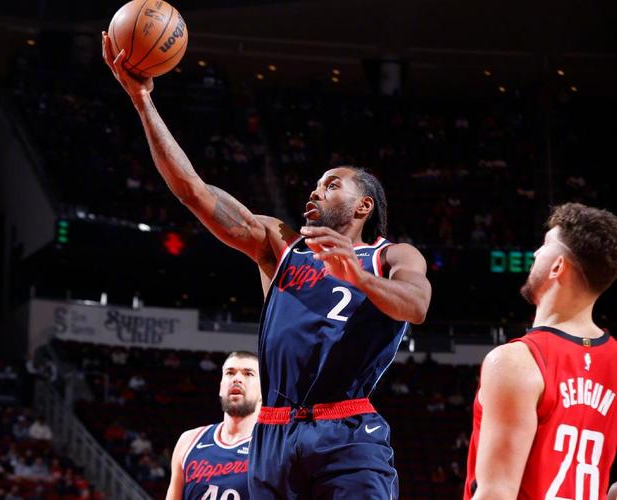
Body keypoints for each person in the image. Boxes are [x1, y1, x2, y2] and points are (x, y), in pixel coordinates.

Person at [102, 34, 431, 498]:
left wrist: (358, 277)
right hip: (273, 435)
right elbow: (193, 191)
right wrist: (142, 101)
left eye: (332, 185)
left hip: (346, 431)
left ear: (364, 206)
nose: (315, 190)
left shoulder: (390, 256)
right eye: (316, 184)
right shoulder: (281, 245)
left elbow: (416, 305)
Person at [465, 203, 617, 499]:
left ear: (558, 266)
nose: (535, 253)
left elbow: (497, 493)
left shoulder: (515, 362)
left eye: (545, 244)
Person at [165, 351, 261, 500]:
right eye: (230, 373)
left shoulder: (273, 449)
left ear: (264, 390)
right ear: (221, 386)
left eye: (248, 374)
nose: (237, 379)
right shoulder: (189, 440)